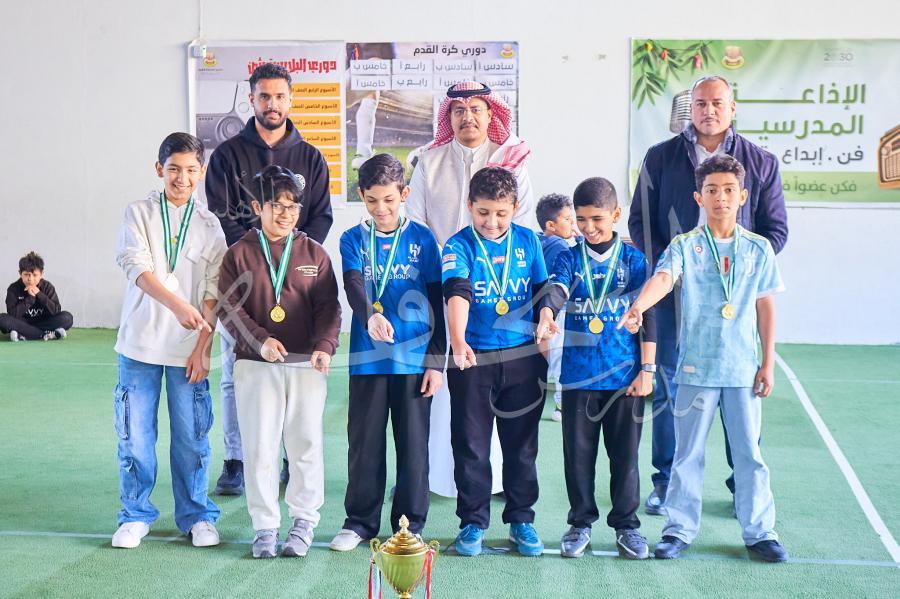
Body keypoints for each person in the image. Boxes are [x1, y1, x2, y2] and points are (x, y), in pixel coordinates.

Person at [628, 75, 789, 515]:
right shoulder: (660, 157)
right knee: (668, 387)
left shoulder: (761, 162)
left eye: (718, 103)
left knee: (741, 392)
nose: (709, 110)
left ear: (732, 108)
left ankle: (742, 486)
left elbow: (776, 229)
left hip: (736, 302)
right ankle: (665, 482)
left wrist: (740, 268)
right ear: (690, 108)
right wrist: (676, 268)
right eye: (701, 103)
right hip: (675, 296)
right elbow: (641, 222)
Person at [205, 62, 334, 495]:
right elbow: (222, 216)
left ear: (290, 100)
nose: (272, 104)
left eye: (279, 96)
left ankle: (286, 460)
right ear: (251, 100)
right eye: (264, 97)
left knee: (295, 373)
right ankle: (236, 459)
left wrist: (291, 258)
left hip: (295, 286)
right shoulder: (227, 156)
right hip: (245, 281)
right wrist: (257, 257)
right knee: (234, 373)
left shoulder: (311, 157)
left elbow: (319, 216)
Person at [407, 80, 536, 498]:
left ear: (491, 114)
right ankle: (438, 479)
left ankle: (498, 484)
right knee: (448, 391)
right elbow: (417, 222)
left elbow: (523, 224)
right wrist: (446, 270)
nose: (468, 117)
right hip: (444, 289)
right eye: (459, 110)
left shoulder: (511, 160)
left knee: (500, 398)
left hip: (501, 296)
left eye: (477, 109)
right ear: (448, 117)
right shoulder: (429, 161)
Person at [217, 165, 341, 559]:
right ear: (258, 207)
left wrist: (325, 345)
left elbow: (329, 307)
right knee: (260, 448)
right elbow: (229, 308)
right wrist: (260, 341)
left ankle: (304, 521)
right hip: (255, 366)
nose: (286, 214)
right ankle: (265, 526)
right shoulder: (238, 254)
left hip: (306, 365)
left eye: (293, 206)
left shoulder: (314, 253)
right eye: (277, 205)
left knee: (305, 444)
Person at [111, 132, 224, 549]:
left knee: (192, 438)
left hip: (187, 350)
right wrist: (176, 305)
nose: (182, 178)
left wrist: (202, 348)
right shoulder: (138, 212)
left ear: (202, 172)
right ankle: (135, 515)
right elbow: (136, 267)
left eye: (191, 170)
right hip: (139, 344)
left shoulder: (210, 225)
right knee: (135, 437)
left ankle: (197, 516)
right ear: (159, 169)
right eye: (174, 168)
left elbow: (213, 290)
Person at [535, 177, 656, 560]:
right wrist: (547, 312)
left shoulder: (634, 261)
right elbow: (556, 289)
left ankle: (627, 526)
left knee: (626, 458)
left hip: (624, 377)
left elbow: (649, 316)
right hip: (578, 377)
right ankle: (580, 523)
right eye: (581, 219)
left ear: (615, 214)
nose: (588, 227)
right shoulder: (569, 258)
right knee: (578, 457)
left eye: (597, 219)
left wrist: (647, 369)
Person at [330, 154, 445, 551]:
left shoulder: (423, 239)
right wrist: (370, 318)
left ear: (404, 194)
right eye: (372, 200)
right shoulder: (352, 239)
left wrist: (436, 361)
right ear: (361, 195)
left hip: (414, 361)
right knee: (364, 445)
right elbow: (353, 286)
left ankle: (409, 526)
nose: (381, 209)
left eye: (389, 200)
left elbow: (437, 301)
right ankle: (359, 522)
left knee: (413, 447)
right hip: (368, 360)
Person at [441, 167, 548, 557]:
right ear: (470, 205)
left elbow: (542, 289)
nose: (492, 221)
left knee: (522, 445)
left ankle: (521, 520)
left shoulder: (529, 241)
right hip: (473, 359)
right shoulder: (458, 245)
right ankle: (472, 522)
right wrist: (458, 340)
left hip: (524, 358)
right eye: (483, 212)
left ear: (515, 208)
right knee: (471, 444)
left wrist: (547, 316)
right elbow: (458, 291)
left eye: (501, 213)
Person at [535, 194, 575, 421]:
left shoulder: (538, 240)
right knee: (560, 357)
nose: (573, 223)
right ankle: (561, 405)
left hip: (541, 309)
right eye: (567, 219)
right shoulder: (560, 245)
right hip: (557, 310)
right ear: (551, 225)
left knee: (553, 357)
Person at [1, 251, 74, 341]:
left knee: (67, 318)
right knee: (3, 319)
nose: (30, 279)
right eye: (26, 275)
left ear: (41, 274)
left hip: (44, 322)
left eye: (35, 275)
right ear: (20, 273)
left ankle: (24, 335)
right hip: (22, 323)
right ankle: (46, 334)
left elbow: (56, 311)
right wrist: (30, 299)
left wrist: (39, 294)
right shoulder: (13, 288)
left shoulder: (47, 287)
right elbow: (12, 314)